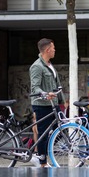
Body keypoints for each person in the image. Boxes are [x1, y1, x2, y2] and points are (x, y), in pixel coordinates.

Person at [29, 38, 65, 167]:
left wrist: (62, 101)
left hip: (53, 104)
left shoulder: (49, 64)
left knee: (61, 131)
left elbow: (57, 84)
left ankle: (40, 153)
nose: (55, 50)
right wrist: (45, 94)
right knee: (43, 133)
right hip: (42, 104)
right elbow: (35, 87)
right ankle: (42, 161)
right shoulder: (37, 66)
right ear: (48, 50)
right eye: (53, 48)